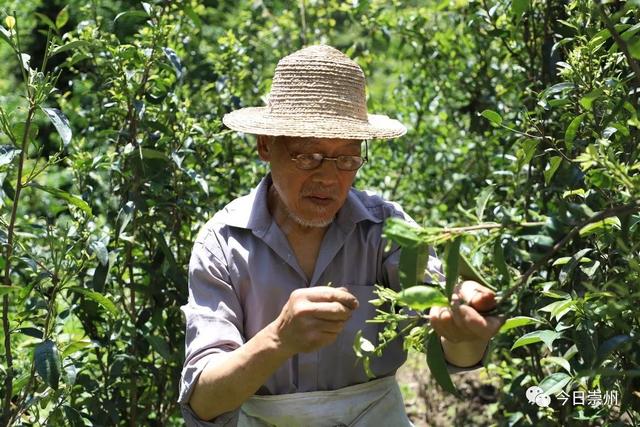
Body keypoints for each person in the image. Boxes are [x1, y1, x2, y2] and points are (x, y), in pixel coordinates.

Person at [178, 45, 503, 426]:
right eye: (308, 156)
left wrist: (464, 329)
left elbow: (459, 354)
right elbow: (204, 403)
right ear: (265, 145)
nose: (329, 179)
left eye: (347, 159)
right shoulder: (223, 244)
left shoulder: (385, 229)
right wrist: (278, 340)